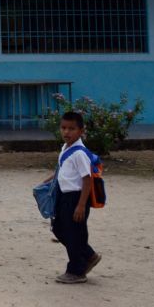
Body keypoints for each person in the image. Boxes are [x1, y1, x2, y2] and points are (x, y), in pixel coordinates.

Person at [42, 111, 101, 284]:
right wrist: (47, 182)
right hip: (64, 196)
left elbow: (87, 179)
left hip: (76, 198)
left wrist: (81, 205)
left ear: (81, 131)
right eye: (63, 128)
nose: (66, 132)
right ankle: (88, 255)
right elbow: (62, 171)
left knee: (74, 233)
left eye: (71, 129)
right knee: (59, 229)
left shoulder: (79, 153)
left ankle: (76, 270)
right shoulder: (65, 148)